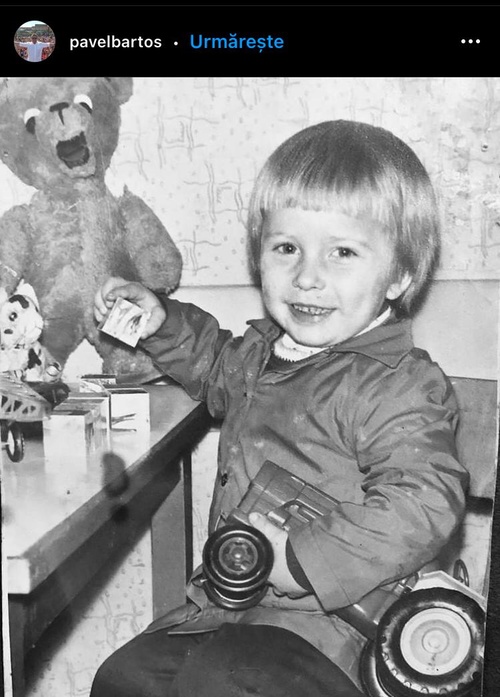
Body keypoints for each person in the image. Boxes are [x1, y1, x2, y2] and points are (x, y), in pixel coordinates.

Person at [91, 120, 469, 696]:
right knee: (125, 678)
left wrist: (302, 558)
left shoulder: (398, 385)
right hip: (226, 608)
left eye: (343, 252)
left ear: (399, 275)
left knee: (223, 681)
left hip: (335, 630)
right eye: (287, 248)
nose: (307, 277)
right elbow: (213, 365)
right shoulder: (262, 353)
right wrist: (163, 325)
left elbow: (424, 501)